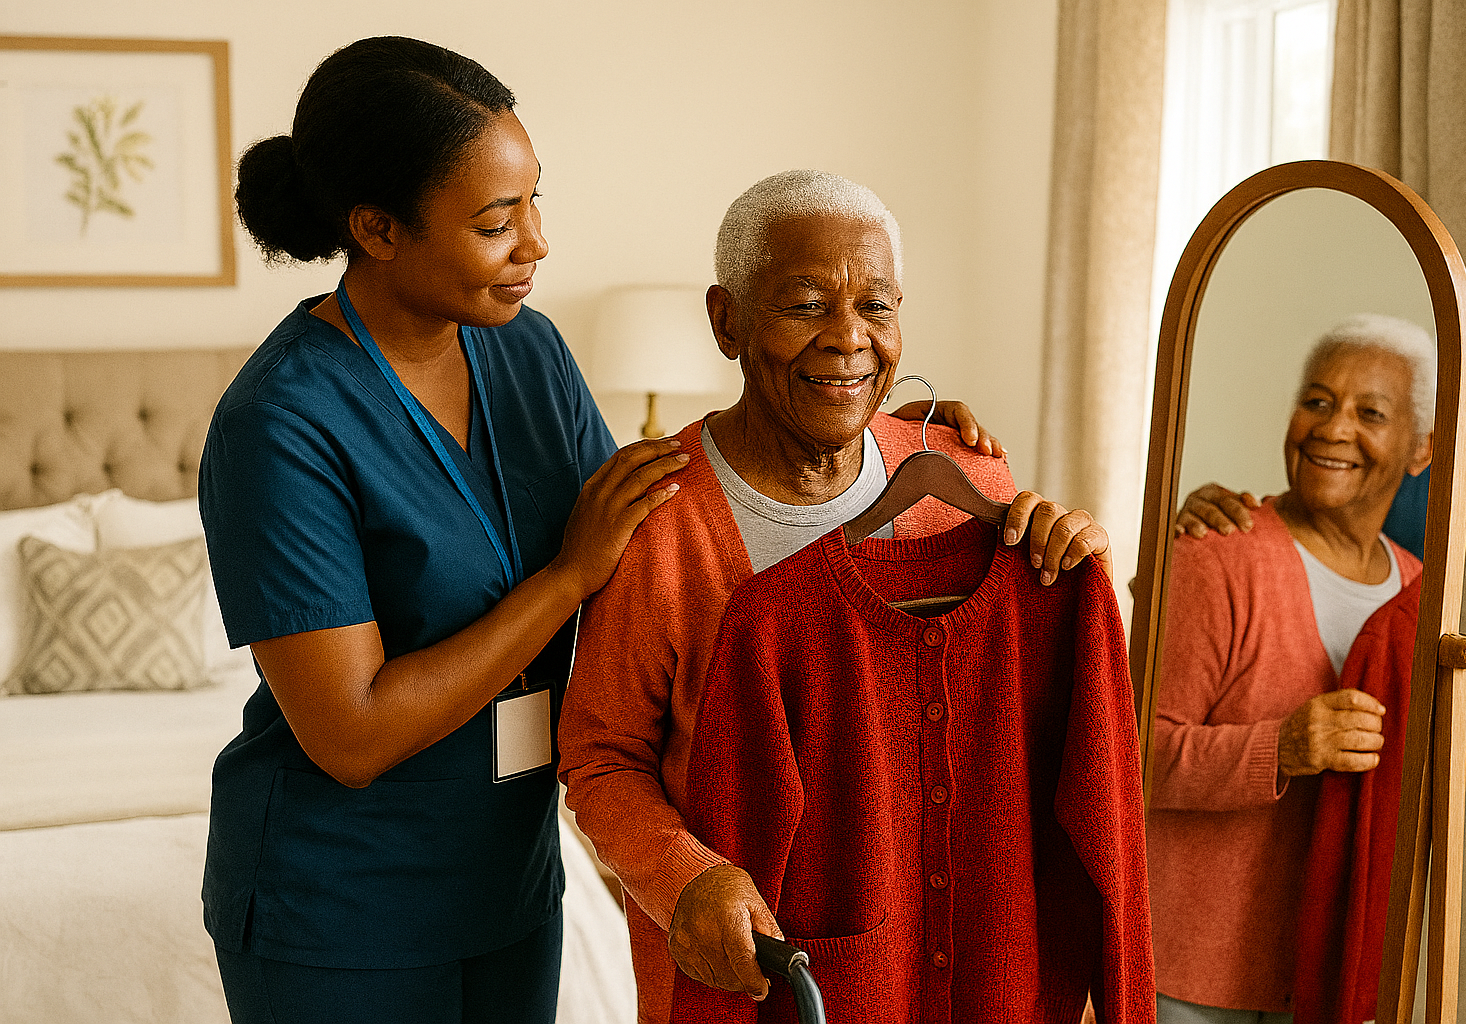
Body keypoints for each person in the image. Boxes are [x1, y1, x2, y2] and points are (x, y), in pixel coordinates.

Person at [199, 40, 1009, 1024]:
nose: (536, 243)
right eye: (497, 223)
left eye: (536, 202)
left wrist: (879, 436)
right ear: (377, 228)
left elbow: (660, 514)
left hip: (509, 880)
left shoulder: (525, 351)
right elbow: (352, 733)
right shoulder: (280, 422)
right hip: (338, 908)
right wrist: (562, 578)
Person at [558, 169, 1115, 1024]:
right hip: (756, 968)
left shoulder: (964, 479)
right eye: (806, 305)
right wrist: (687, 879)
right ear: (728, 320)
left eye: (878, 307)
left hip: (964, 966)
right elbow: (600, 761)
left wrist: (1070, 555)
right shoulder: (656, 524)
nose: (849, 341)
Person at [1146, 314, 1435, 1024]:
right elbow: (1130, 753)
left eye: (1370, 413)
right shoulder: (1217, 555)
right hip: (1192, 974)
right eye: (1316, 401)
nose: (1333, 428)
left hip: (1335, 980)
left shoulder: (1421, 595)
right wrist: (1282, 747)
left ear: (1421, 449)